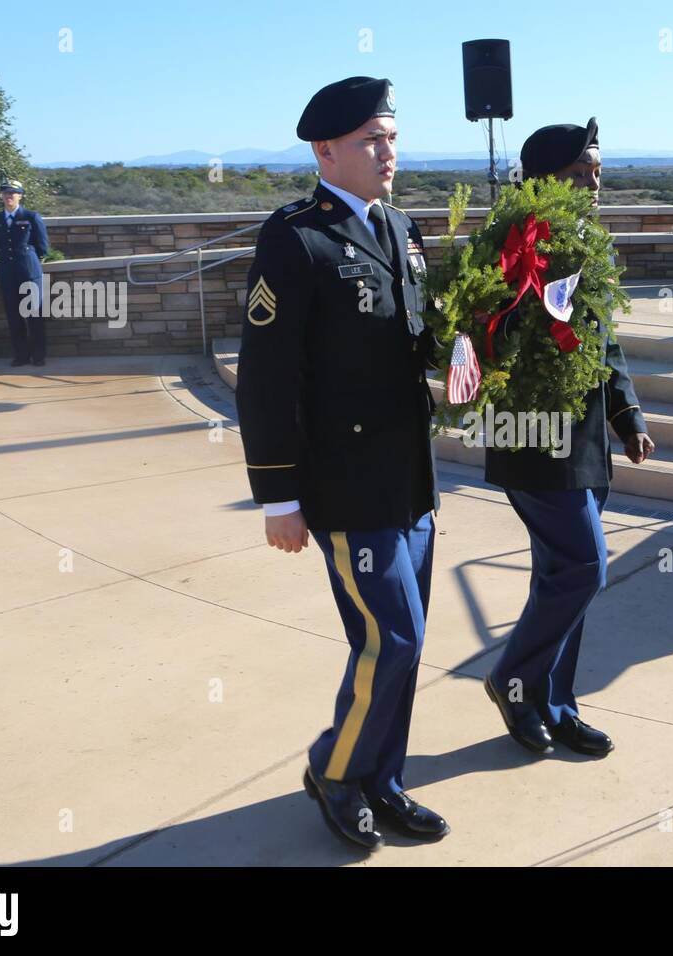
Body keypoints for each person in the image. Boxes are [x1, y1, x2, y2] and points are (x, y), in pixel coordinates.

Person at [234, 76, 447, 852]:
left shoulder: (401, 227)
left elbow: (416, 335)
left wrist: (466, 356)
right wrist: (275, 499)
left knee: (409, 642)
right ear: (325, 150)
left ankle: (382, 780)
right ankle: (335, 770)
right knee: (386, 639)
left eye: (391, 136)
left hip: (412, 480)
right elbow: (264, 378)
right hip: (347, 483)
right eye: (370, 140)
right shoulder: (294, 238)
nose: (387, 152)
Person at [482, 117, 656, 760]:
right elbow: (487, 335)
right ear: (543, 179)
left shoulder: (588, 242)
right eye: (581, 172)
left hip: (584, 441)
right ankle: (511, 680)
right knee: (585, 566)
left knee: (559, 574)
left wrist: (627, 418)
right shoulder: (512, 241)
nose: (594, 181)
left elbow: (605, 343)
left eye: (598, 170)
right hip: (530, 433)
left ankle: (553, 704)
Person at [0, 180, 50, 366]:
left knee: (34, 315)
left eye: (13, 193)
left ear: (20, 195)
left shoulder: (31, 216)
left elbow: (42, 246)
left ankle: (38, 355)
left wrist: (29, 262)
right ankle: (21, 355)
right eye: (6, 193)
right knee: (14, 317)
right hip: (8, 273)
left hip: (29, 272)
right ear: (1, 196)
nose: (9, 196)